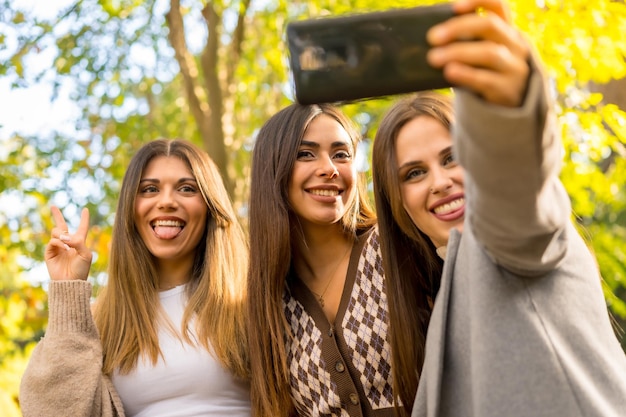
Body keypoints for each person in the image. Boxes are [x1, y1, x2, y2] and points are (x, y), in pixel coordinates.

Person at [371, 1, 626, 416]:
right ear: (397, 203)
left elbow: (516, 187)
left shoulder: (507, 238)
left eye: (453, 157)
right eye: (414, 174)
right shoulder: (438, 303)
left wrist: (509, 109)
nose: (439, 182)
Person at [19, 139, 251, 417]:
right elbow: (50, 411)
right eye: (150, 189)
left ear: (211, 206)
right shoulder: (101, 321)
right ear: (131, 209)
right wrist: (68, 288)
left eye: (187, 189)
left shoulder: (252, 302)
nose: (166, 201)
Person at [247, 102, 423, 417]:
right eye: (305, 154)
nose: (329, 167)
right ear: (272, 170)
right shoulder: (270, 300)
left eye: (341, 154)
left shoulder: (395, 248)